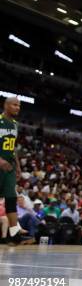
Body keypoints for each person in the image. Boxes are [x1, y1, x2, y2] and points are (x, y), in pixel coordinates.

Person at [0, 96, 32, 245]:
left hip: (10, 168)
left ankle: (14, 234)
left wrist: (18, 165)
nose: (18, 108)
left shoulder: (14, 124)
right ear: (6, 105)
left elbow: (12, 147)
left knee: (11, 198)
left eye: (19, 106)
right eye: (14, 105)